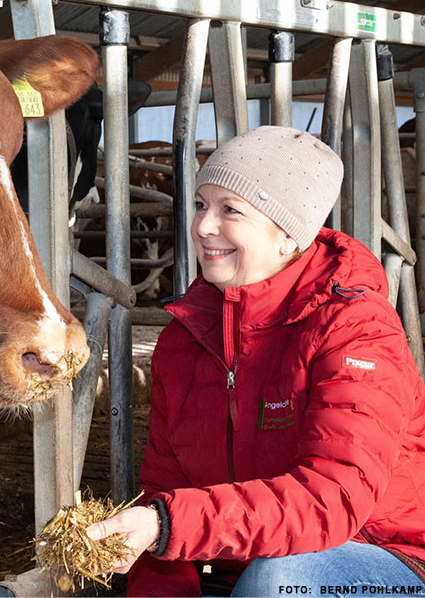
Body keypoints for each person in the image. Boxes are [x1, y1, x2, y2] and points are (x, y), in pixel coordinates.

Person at [86, 125, 425, 597]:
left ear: (288, 235)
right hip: (242, 575)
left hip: (383, 564)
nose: (203, 226)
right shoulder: (184, 341)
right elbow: (164, 491)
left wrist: (165, 525)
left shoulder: (355, 329)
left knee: (280, 578)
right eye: (201, 204)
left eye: (231, 210)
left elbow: (331, 501)